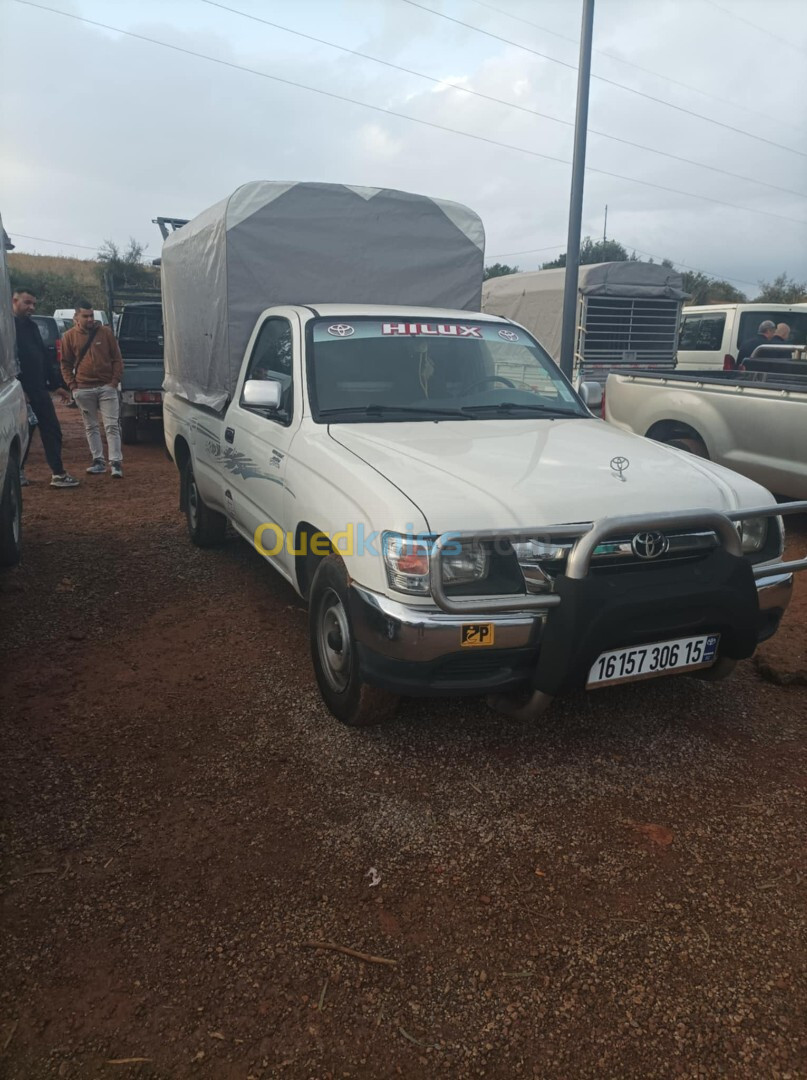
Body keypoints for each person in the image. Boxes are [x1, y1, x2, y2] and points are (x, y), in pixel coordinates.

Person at [12, 288, 79, 488]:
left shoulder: (31, 327)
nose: (31, 307)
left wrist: (56, 385)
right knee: (23, 434)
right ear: (13, 301)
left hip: (40, 391)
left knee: (52, 431)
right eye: (27, 303)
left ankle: (58, 474)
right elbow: (6, 362)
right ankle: (17, 473)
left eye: (33, 303)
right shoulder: (6, 329)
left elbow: (43, 357)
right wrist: (19, 390)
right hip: (20, 392)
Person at [61, 300, 125, 478]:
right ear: (76, 318)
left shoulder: (105, 333)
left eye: (92, 315)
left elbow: (117, 358)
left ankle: (116, 463)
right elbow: (64, 363)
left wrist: (113, 382)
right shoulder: (69, 336)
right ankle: (98, 461)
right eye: (85, 316)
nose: (90, 319)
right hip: (83, 388)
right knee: (91, 426)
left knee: (112, 425)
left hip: (106, 387)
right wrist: (73, 386)